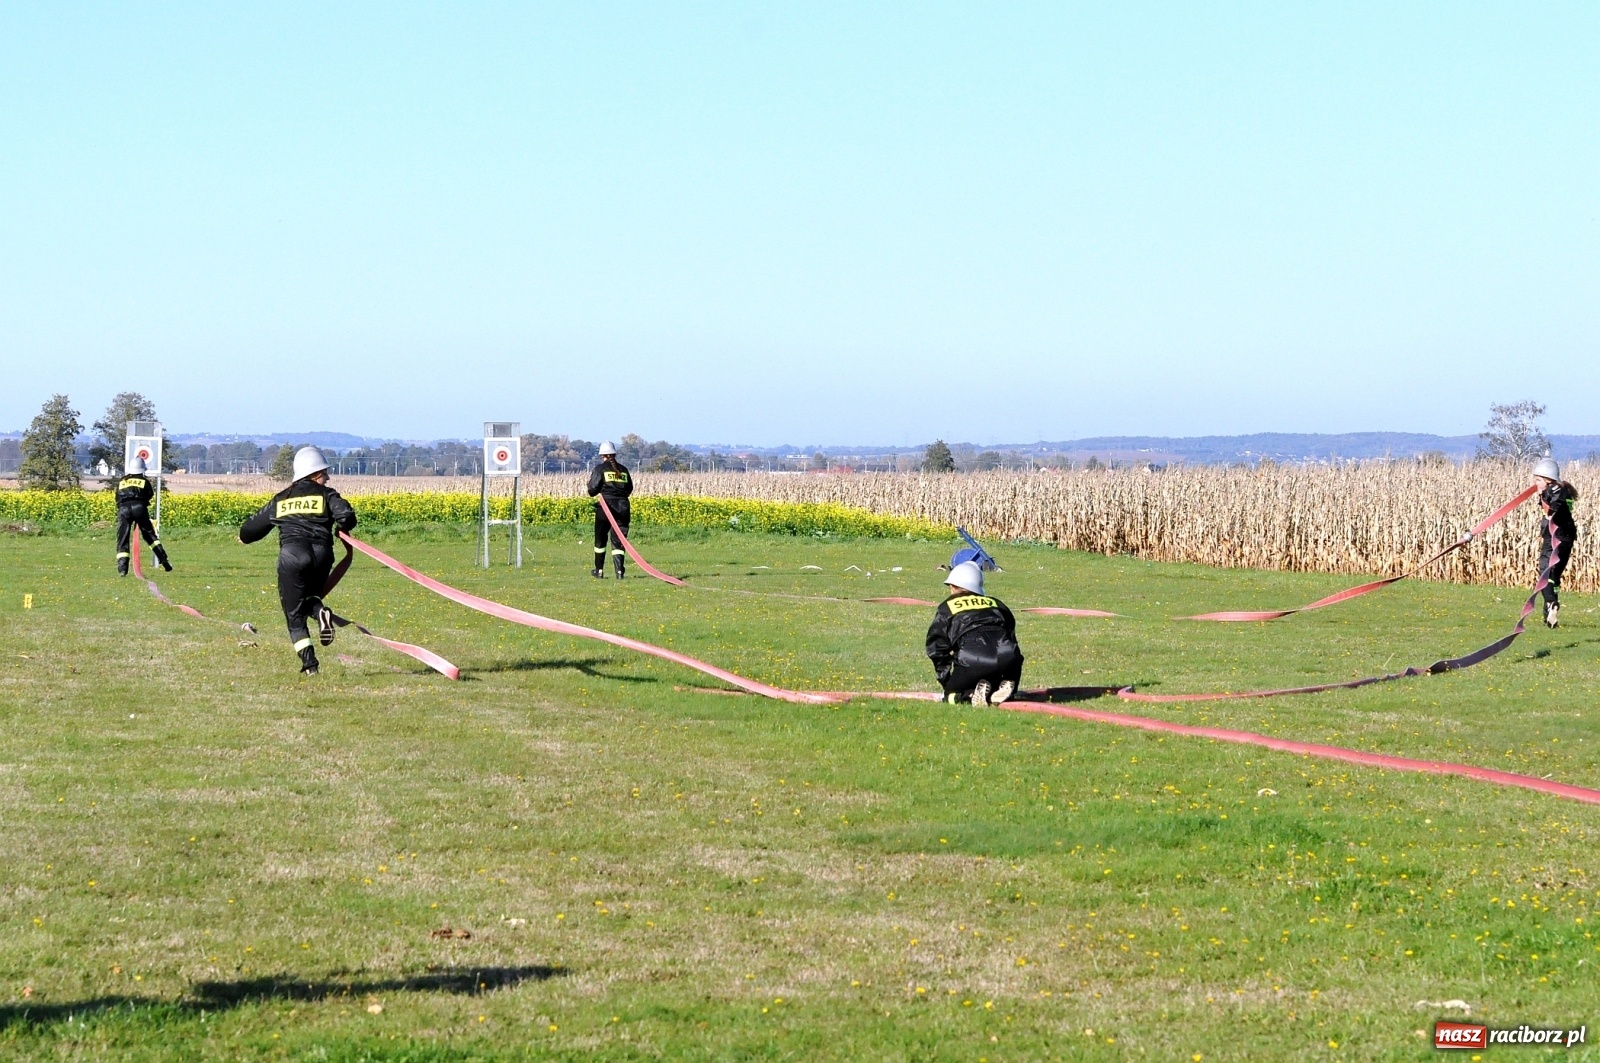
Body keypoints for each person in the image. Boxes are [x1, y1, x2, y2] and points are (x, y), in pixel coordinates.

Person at [239, 446, 357, 675]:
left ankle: (310, 665)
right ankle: (320, 611)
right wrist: (341, 527)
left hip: (293, 556)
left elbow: (250, 529)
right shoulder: (328, 494)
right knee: (311, 597)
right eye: (325, 473)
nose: (328, 477)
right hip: (323, 556)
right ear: (313, 474)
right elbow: (346, 516)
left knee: (294, 615)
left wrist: (243, 538)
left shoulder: (282, 498)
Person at [925, 561, 1024, 706]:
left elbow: (937, 649)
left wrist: (947, 682)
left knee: (951, 697)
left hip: (973, 659)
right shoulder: (997, 604)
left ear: (953, 586)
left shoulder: (947, 607)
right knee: (994, 676)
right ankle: (1003, 686)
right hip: (1009, 657)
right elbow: (1011, 634)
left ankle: (970, 695)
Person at [1532, 456, 1579, 629]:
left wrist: (1544, 496)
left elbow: (1553, 509)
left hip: (1555, 539)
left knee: (1545, 573)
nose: (1535, 483)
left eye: (1538, 479)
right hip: (1565, 539)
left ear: (1548, 479)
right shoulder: (1561, 490)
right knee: (1553, 577)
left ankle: (1551, 603)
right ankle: (1549, 617)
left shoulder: (1555, 490)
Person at [114, 456, 171, 575]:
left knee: (123, 538)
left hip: (124, 509)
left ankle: (122, 569)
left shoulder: (122, 481)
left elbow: (117, 498)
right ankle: (164, 560)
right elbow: (149, 494)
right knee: (149, 534)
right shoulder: (144, 481)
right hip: (139, 508)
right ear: (142, 470)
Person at [586, 441, 633, 579]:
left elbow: (592, 490)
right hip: (623, 508)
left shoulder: (600, 469)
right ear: (614, 454)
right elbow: (629, 489)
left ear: (602, 455)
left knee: (600, 540)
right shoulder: (623, 469)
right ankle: (619, 572)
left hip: (605, 508)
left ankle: (599, 570)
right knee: (619, 541)